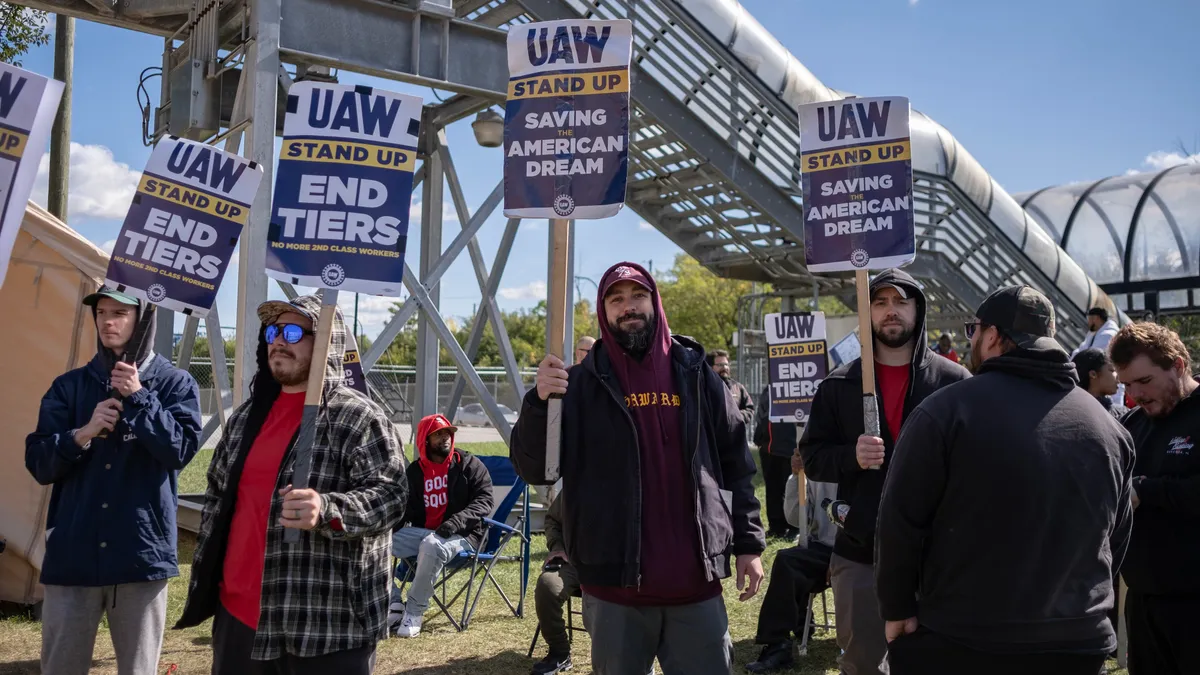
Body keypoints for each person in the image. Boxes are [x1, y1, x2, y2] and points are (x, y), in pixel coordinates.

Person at [510, 261, 766, 675]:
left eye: (637, 296)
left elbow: (737, 464)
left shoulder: (697, 374)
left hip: (695, 584)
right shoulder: (578, 386)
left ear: (655, 302)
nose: (628, 306)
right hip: (615, 590)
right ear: (603, 310)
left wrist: (750, 545)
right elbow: (537, 469)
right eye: (616, 299)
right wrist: (540, 403)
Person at [876, 285, 1134, 675]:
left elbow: (899, 521)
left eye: (973, 331)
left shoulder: (946, 412)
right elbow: (1116, 535)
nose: (972, 341)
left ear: (992, 335)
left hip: (965, 638)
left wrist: (896, 608)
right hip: (1078, 640)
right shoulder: (1109, 428)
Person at [175, 295, 407, 674]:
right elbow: (218, 498)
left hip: (327, 623)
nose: (279, 339)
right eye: (273, 330)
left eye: (294, 331)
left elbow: (392, 496)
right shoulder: (246, 419)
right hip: (239, 618)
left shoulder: (358, 417)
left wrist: (328, 509)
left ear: (326, 342)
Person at [798, 268, 969, 675]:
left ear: (918, 309)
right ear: (866, 312)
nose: (891, 311)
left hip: (938, 557)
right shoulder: (838, 384)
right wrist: (850, 457)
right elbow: (813, 455)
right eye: (879, 302)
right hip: (860, 554)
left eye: (901, 301)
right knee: (863, 664)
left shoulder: (954, 383)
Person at [25, 287, 202, 675]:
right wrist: (80, 434)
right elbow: (39, 464)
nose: (108, 321)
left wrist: (139, 397)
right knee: (60, 667)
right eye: (102, 312)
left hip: (140, 555)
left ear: (144, 321)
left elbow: (180, 451)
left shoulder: (175, 384)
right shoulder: (68, 387)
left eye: (120, 313)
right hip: (74, 556)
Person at [1110, 322, 1200, 675]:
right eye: (1126, 385)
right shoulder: (1132, 424)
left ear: (1177, 365)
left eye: (1144, 382)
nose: (1135, 394)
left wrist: (1146, 490)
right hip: (1144, 602)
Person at [390, 413, 494, 638]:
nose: (445, 438)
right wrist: (388, 526)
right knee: (376, 542)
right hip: (425, 532)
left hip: (463, 536)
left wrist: (455, 523)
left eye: (447, 433)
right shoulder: (416, 472)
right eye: (438, 434)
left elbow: (484, 501)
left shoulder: (468, 465)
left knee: (431, 544)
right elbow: (405, 508)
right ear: (425, 440)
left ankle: (414, 613)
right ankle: (393, 602)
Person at [746, 451, 838, 673]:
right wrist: (797, 476)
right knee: (787, 561)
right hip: (821, 548)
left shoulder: (865, 457)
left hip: (862, 549)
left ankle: (799, 616)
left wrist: (842, 556)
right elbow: (796, 519)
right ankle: (778, 645)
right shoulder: (818, 461)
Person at [753, 387, 799, 539]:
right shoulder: (767, 389)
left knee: (791, 490)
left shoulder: (795, 385)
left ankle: (794, 527)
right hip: (769, 448)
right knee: (772, 490)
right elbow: (761, 414)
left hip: (790, 448)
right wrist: (759, 437)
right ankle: (776, 527)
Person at [1072, 306, 1123, 404]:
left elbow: (1091, 356)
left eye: (1089, 319)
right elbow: (1082, 350)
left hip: (1108, 384)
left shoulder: (1108, 335)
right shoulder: (1094, 333)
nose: (1088, 322)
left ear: (1095, 318)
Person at [1072, 347, 1128, 419]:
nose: (1118, 377)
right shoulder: (1122, 416)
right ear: (1093, 374)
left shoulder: (1124, 415)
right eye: (1112, 370)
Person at [708, 349, 755, 425]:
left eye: (726, 364)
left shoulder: (737, 388)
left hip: (734, 435)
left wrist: (736, 417)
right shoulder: (704, 387)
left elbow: (749, 409)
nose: (725, 368)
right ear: (711, 367)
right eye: (720, 365)